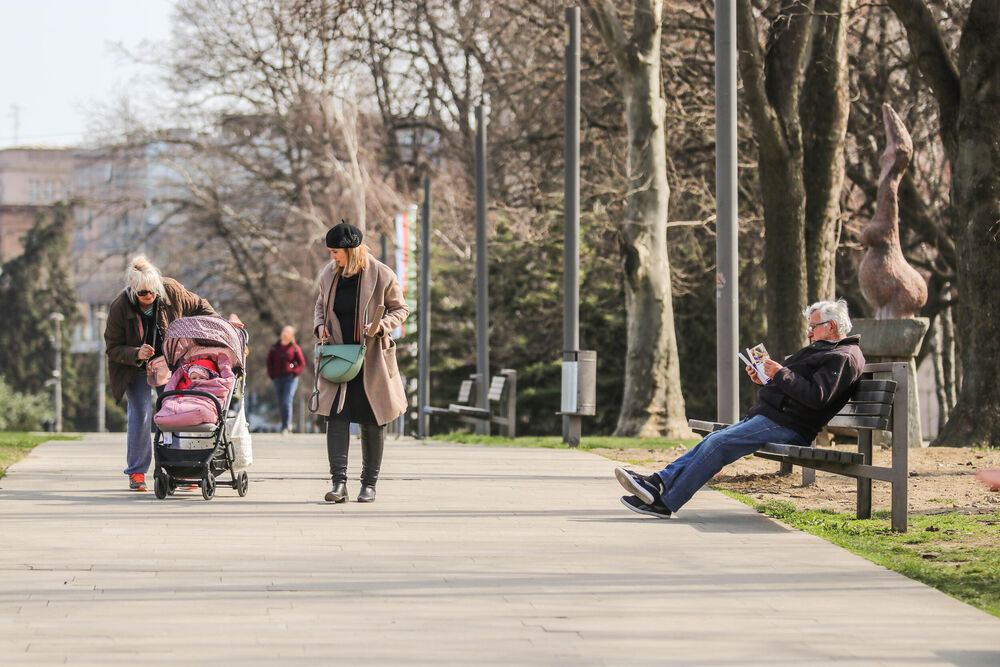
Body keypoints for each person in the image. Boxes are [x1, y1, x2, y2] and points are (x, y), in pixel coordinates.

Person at [615, 298, 865, 519]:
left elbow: (817, 396)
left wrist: (781, 374)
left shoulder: (844, 357)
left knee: (718, 444)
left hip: (790, 425)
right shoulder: (827, 350)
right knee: (714, 438)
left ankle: (664, 502)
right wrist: (766, 378)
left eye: (813, 327)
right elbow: (797, 387)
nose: (809, 333)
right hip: (775, 417)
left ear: (831, 326)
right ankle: (658, 482)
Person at [311, 221, 409, 504]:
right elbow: (320, 305)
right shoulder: (329, 275)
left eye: (335, 252)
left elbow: (401, 308)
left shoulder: (381, 274)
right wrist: (320, 327)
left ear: (351, 250)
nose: (332, 257)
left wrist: (381, 326)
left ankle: (369, 484)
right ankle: (338, 484)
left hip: (372, 358)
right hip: (339, 356)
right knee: (336, 417)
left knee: (372, 417)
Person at [104, 255, 218, 491]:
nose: (149, 296)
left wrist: (219, 326)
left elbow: (200, 305)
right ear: (133, 291)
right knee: (141, 415)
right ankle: (136, 472)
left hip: (168, 363)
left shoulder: (171, 291)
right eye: (143, 293)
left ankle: (183, 468)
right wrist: (136, 352)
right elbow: (112, 348)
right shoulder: (119, 307)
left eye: (153, 291)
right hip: (134, 369)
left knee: (176, 413)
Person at [266, 325, 305, 435]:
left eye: (288, 332)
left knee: (287, 400)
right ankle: (285, 424)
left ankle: (286, 426)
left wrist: (294, 372)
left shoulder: (295, 348)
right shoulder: (274, 347)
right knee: (281, 402)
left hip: (290, 378)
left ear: (291, 336)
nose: (285, 333)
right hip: (278, 378)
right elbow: (269, 363)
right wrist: (272, 375)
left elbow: (302, 363)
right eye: (284, 331)